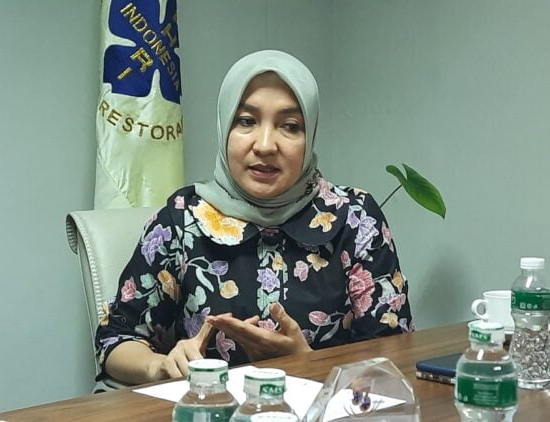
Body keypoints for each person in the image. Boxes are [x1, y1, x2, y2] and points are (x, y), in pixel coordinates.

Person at [95, 50, 413, 385]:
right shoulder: (181, 220)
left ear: (309, 136)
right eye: (246, 121)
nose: (265, 145)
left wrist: (307, 364)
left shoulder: (356, 219)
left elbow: (394, 354)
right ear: (225, 126)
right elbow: (116, 340)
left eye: (290, 126)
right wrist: (159, 366)